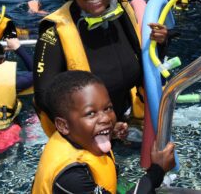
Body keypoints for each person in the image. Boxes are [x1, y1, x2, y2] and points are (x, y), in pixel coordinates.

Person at [33, 0, 169, 136]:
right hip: (85, 134)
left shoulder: (123, 13)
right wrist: (98, 127)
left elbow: (150, 65)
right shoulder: (54, 33)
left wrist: (160, 42)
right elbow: (44, 96)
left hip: (125, 122)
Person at [32, 70, 175, 193]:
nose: (106, 118)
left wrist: (110, 132)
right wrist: (158, 169)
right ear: (63, 125)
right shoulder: (71, 177)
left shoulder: (73, 135)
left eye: (108, 108)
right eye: (91, 113)